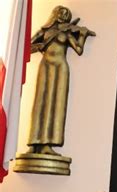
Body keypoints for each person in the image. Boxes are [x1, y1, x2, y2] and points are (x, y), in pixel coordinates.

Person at [27, 6, 95, 155]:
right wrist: (39, 46)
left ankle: (47, 145)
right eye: (62, 13)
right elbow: (28, 47)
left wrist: (82, 35)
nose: (64, 17)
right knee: (40, 105)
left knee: (55, 104)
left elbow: (79, 49)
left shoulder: (67, 31)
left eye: (67, 15)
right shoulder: (44, 31)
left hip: (60, 68)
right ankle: (34, 144)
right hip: (45, 67)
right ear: (55, 15)